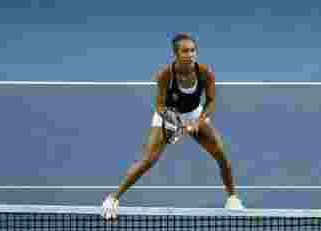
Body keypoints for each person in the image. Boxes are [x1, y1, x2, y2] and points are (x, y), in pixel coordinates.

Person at [102, 33, 243, 220]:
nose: (190, 54)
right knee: (148, 161)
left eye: (193, 50)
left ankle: (232, 198)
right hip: (168, 115)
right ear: (176, 54)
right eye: (185, 51)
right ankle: (113, 198)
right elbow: (159, 105)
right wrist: (176, 122)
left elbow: (211, 102)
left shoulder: (205, 73)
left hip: (194, 113)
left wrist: (197, 122)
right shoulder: (165, 75)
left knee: (222, 156)